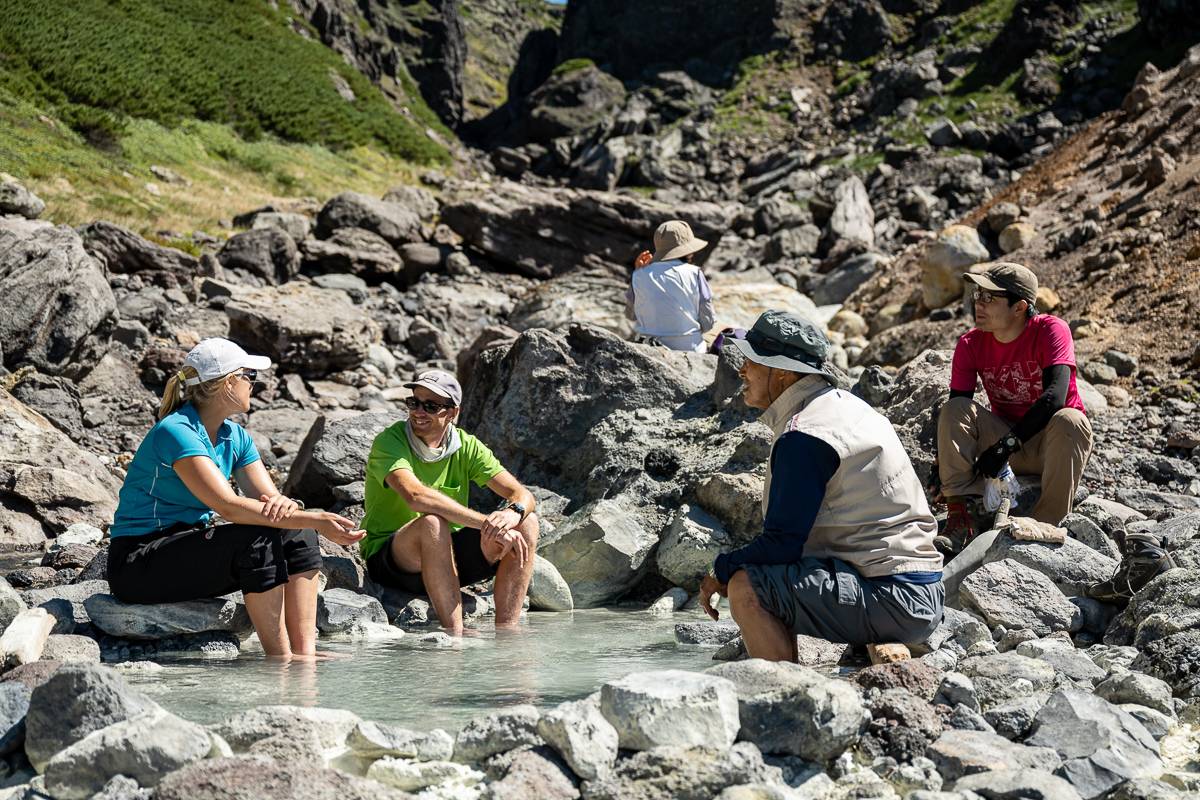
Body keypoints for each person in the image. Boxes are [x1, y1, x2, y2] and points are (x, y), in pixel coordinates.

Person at [698, 311, 944, 662]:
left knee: (746, 585)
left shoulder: (804, 436)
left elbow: (782, 545)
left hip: (894, 600)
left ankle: (779, 688)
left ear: (782, 373)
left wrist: (719, 570)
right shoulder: (846, 407)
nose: (742, 371)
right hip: (919, 590)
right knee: (765, 574)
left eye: (752, 361)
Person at [107, 338, 365, 660]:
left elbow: (270, 501)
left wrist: (296, 512)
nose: (254, 385)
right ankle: (280, 660)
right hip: (138, 562)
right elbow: (228, 506)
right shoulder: (176, 431)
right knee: (256, 540)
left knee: (299, 533)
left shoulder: (236, 436)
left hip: (185, 548)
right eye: (250, 376)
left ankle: (305, 655)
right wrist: (317, 518)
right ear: (229, 382)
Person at [360, 369, 539, 636]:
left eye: (431, 406)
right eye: (414, 402)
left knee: (527, 522)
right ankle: (455, 635)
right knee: (432, 523)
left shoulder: (466, 446)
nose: (419, 412)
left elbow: (522, 495)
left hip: (450, 560)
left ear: (453, 412)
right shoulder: (390, 441)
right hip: (394, 562)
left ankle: (507, 633)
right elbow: (415, 496)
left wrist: (513, 513)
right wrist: (489, 524)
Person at [935, 262, 1095, 556]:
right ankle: (961, 518)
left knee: (1071, 420)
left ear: (1019, 307)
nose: (978, 304)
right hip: (1009, 445)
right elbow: (957, 411)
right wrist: (943, 467)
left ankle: (1044, 525)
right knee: (956, 408)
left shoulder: (1050, 330)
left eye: (989, 297)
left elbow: (1054, 397)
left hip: (1053, 447)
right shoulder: (971, 344)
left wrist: (1003, 447)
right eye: (977, 295)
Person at [625, 219, 716, 352]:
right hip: (691, 350)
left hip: (649, 349)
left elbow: (630, 315)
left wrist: (638, 273)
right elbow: (708, 322)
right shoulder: (695, 273)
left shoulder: (638, 274)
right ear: (688, 251)